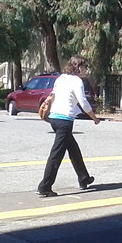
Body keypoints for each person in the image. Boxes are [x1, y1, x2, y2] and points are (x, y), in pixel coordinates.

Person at [37, 55, 101, 197]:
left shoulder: (61, 78)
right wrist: (94, 118)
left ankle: (84, 178)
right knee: (56, 154)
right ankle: (45, 186)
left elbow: (53, 95)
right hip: (65, 121)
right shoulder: (77, 81)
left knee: (73, 149)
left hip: (54, 118)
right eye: (85, 67)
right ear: (78, 67)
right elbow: (83, 103)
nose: (86, 70)